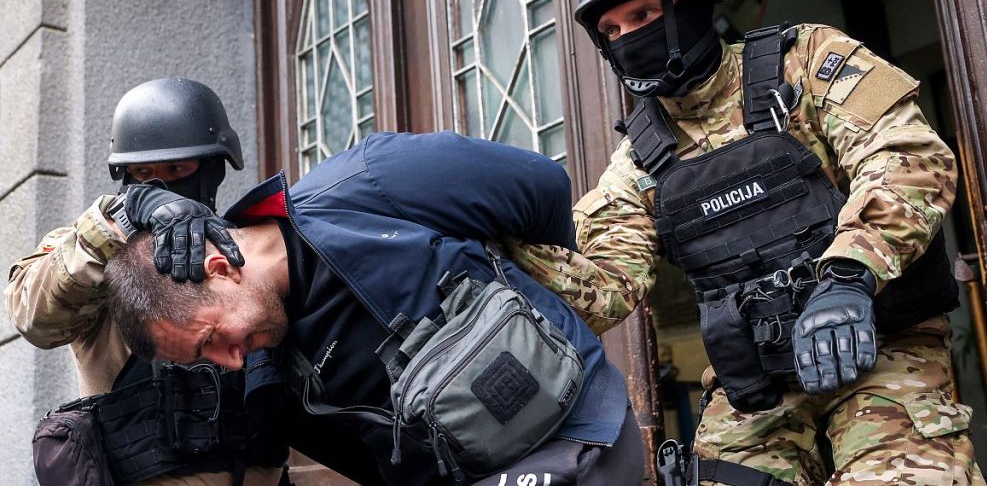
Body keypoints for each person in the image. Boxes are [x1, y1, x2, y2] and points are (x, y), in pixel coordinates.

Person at [507, 0, 985, 486]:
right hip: (756, 386)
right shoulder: (639, 159)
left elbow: (908, 158)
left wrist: (850, 272)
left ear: (689, 1)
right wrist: (503, 244)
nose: (627, 38)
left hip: (883, 349)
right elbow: (605, 283)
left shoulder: (806, 59)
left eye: (642, 16)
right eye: (610, 30)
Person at [102, 131, 643, 486]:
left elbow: (541, 186)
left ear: (221, 269)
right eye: (209, 361)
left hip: (580, 434)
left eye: (211, 341)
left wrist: (539, 288)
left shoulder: (368, 182)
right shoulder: (273, 376)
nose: (231, 361)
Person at [5, 78, 286, 485]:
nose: (161, 182)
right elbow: (32, 317)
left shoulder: (245, 248)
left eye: (177, 169)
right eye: (143, 172)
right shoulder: (95, 249)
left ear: (210, 170)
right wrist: (118, 220)